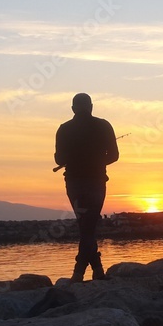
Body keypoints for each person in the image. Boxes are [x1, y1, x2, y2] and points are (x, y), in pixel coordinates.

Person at [54, 93, 119, 282]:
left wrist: (75, 158)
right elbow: (114, 155)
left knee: (86, 225)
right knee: (88, 226)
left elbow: (59, 159)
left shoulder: (64, 129)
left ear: (73, 109)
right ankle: (92, 271)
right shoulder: (104, 126)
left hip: (74, 183)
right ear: (91, 107)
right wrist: (98, 162)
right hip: (96, 182)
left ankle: (82, 271)